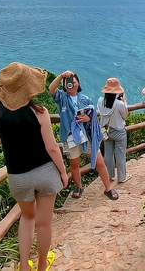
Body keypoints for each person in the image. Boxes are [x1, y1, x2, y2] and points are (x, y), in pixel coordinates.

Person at [0, 62, 68, 271]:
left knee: (27, 218)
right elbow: (52, 148)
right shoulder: (39, 111)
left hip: (18, 177)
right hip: (45, 172)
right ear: (29, 88)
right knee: (44, 223)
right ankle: (42, 265)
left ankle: (24, 266)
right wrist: (63, 172)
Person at [49, 70, 118, 200]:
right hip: (70, 137)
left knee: (100, 162)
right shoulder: (62, 98)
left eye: (73, 82)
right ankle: (79, 186)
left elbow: (92, 116)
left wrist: (88, 118)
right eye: (68, 83)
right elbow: (51, 89)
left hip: (87, 135)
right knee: (75, 164)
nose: (71, 85)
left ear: (78, 83)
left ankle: (108, 188)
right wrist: (61, 76)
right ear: (64, 85)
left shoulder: (85, 99)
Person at [97, 78, 131, 183]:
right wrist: (124, 101)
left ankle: (110, 176)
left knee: (108, 154)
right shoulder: (119, 104)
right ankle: (122, 177)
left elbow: (99, 112)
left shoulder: (100, 101)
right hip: (118, 131)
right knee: (120, 154)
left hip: (105, 131)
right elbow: (125, 116)